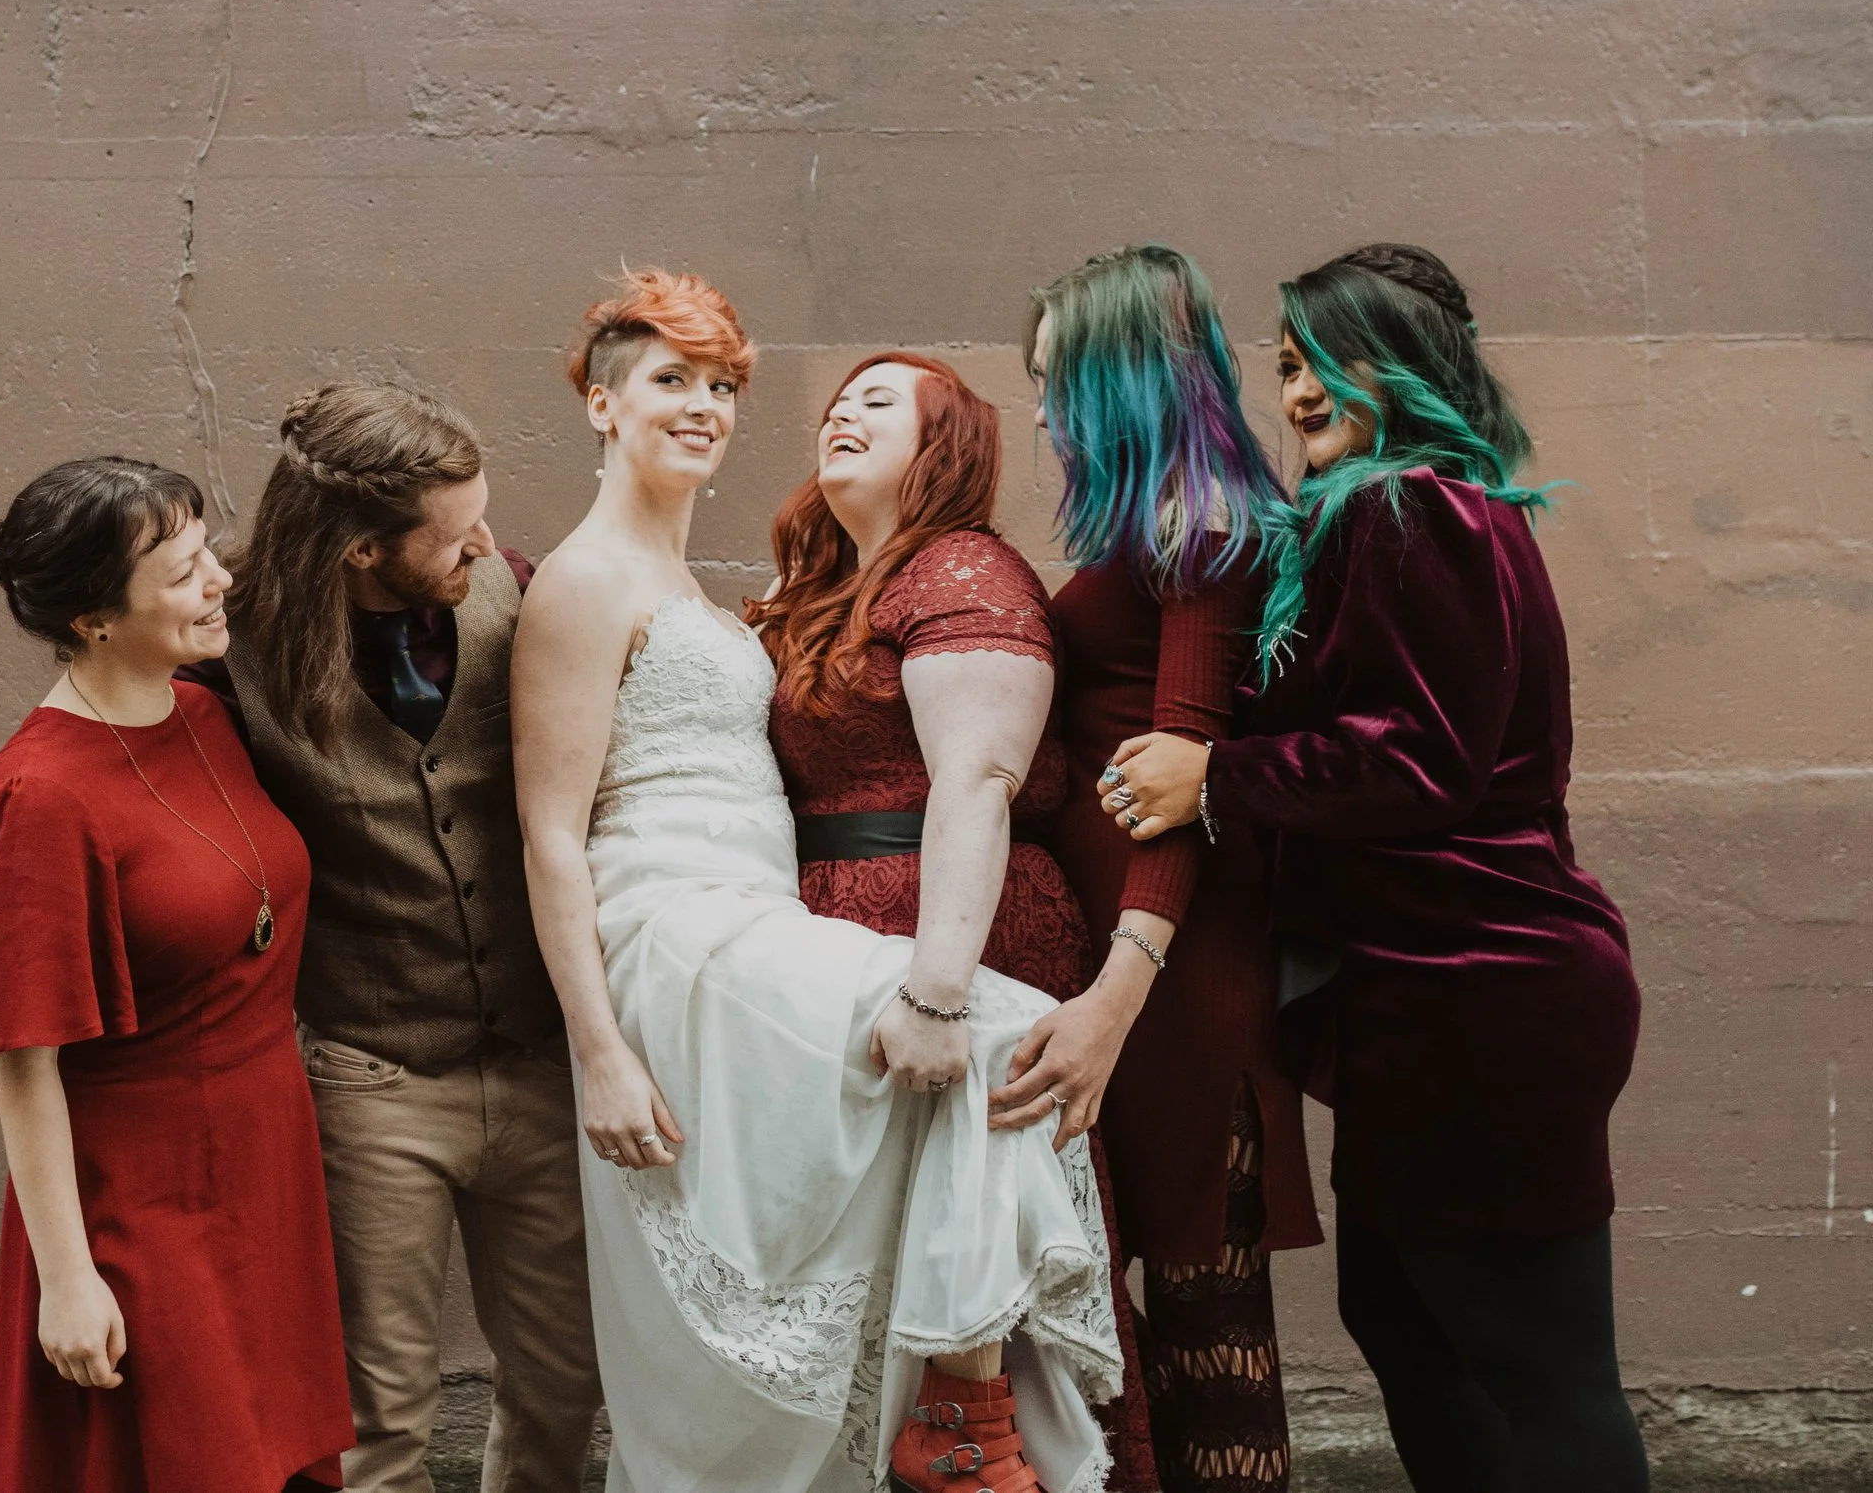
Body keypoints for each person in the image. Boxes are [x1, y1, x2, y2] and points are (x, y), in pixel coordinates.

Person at [513, 270, 1122, 1493]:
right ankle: (963, 1425)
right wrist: (599, 1049)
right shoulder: (585, 581)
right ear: (597, 404)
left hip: (754, 913)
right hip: (673, 924)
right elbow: (549, 834)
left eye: (723, 386)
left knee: (831, 1213)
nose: (704, 407)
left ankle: (944, 1415)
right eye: (669, 382)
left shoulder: (701, 587)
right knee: (994, 1025)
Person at [1102, 244, 1648, 1493]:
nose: (1296, 391)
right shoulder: (1385, 514)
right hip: (1427, 997)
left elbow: (1421, 757)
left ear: (1406, 367)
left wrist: (1214, 777)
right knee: (1405, 1328)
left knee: (1548, 1371)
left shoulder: (1423, 511)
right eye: (1285, 365)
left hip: (1487, 988)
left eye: (1326, 360)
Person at [177, 382, 602, 1493]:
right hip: (371, 1074)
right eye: (453, 536)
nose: (483, 549)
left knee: (565, 1387)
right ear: (363, 551)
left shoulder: (512, 593)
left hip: (539, 1065)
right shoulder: (231, 653)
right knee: (381, 1413)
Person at [750, 351, 1161, 1490]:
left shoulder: (964, 568)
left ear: (943, 447)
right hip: (839, 940)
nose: (842, 410)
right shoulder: (837, 582)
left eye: (879, 402)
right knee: (873, 1256)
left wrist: (938, 991)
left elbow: (976, 783)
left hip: (956, 941)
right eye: (837, 399)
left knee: (976, 1258)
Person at [0, 457, 351, 1493]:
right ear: (93, 617)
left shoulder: (202, 716)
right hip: (140, 1198)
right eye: (183, 572)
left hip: (262, 1160)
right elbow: (25, 1064)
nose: (219, 584)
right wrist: (68, 1280)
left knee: (269, 1450)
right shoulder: (38, 795)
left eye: (209, 553)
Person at [1012, 245, 1323, 1493]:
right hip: (1136, 984)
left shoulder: (1204, 529)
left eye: (1052, 384)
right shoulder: (1161, 528)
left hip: (1174, 990)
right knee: (1153, 1339)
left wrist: (1108, 1003)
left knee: (1212, 1339)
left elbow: (1179, 791)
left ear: (1115, 383)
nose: (1038, 411)